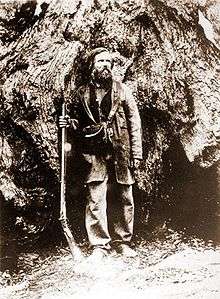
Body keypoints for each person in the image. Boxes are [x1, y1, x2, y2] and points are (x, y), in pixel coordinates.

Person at [59, 47, 142, 259]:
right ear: (92, 66)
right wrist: (67, 123)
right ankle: (99, 246)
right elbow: (77, 123)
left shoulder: (122, 90)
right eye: (100, 61)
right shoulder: (82, 93)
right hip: (94, 153)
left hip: (121, 151)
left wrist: (137, 153)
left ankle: (123, 242)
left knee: (124, 196)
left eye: (107, 61)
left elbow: (134, 122)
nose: (104, 65)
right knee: (96, 199)